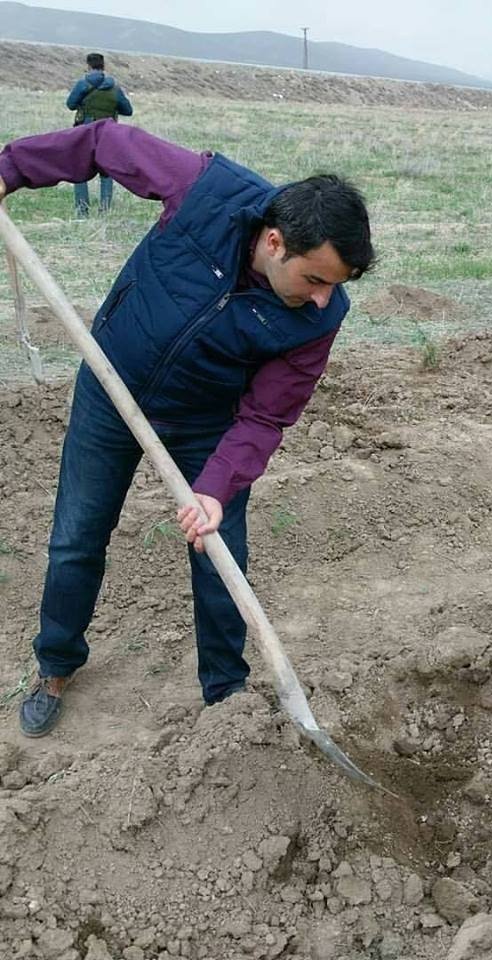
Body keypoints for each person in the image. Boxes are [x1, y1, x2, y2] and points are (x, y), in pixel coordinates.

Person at [0, 120, 375, 737]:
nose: (320, 299)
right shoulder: (207, 189)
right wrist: (10, 169)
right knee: (77, 538)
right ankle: (56, 665)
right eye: (315, 278)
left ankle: (225, 696)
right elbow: (100, 142)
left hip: (207, 423)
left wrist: (216, 487)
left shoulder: (319, 316)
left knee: (219, 552)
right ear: (275, 242)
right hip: (109, 387)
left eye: (334, 287)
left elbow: (267, 413)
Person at [66, 52, 134, 217]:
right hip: (108, 133)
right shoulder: (115, 88)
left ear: (88, 66)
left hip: (85, 131)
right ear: (103, 67)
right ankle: (105, 211)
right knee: (106, 171)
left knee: (80, 170)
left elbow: (70, 104)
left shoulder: (83, 84)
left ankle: (82, 212)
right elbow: (128, 110)